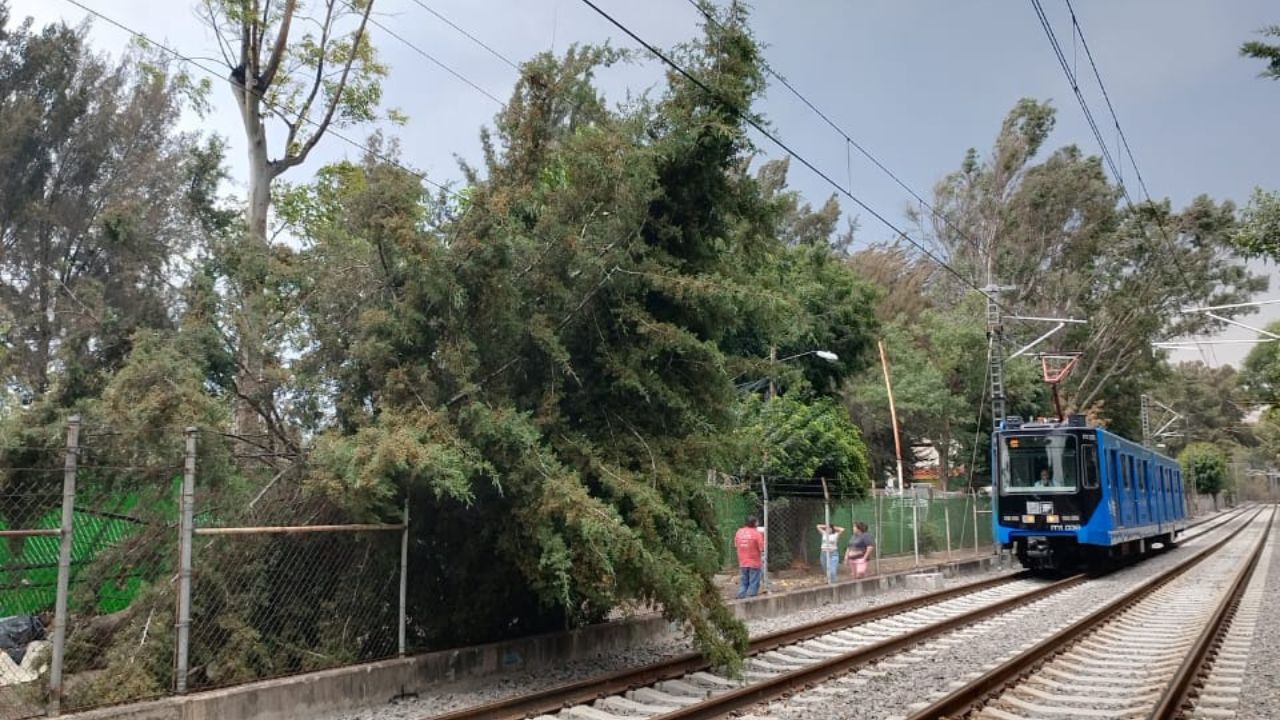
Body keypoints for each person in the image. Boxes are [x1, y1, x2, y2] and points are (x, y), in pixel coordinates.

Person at [734, 515, 766, 598]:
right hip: (754, 561)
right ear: (754, 523)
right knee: (754, 581)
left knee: (744, 580)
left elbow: (736, 545)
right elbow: (761, 548)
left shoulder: (739, 532)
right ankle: (751, 596)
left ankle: (741, 594)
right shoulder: (756, 534)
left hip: (742, 561)